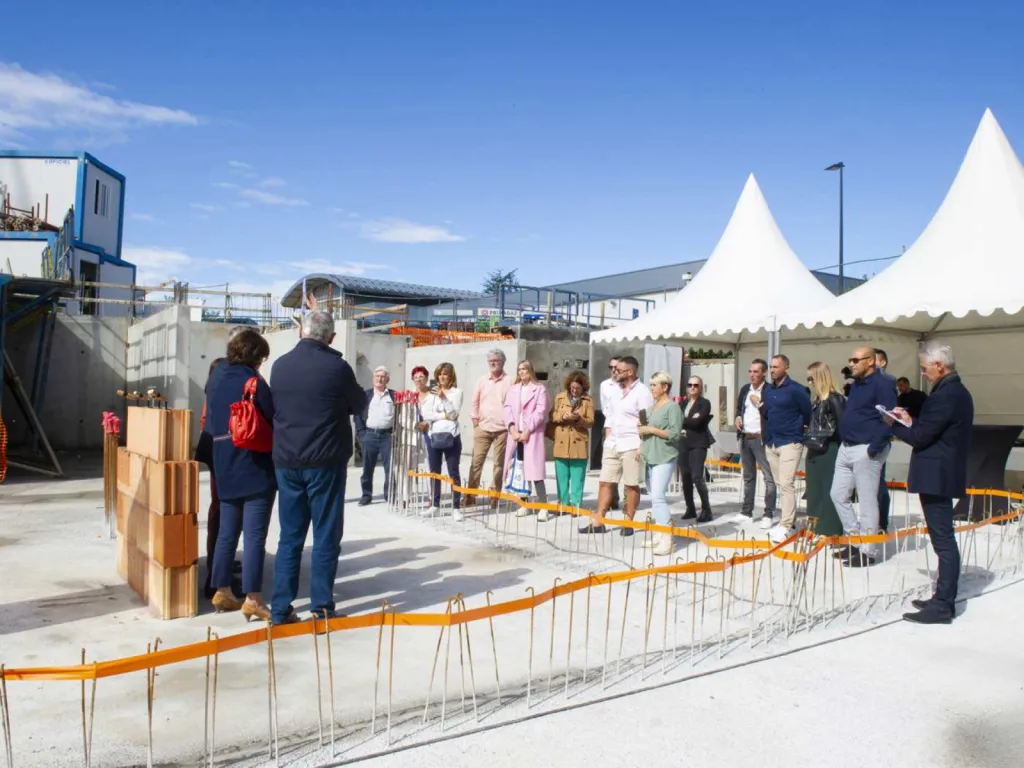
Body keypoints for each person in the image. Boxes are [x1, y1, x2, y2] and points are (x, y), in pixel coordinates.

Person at [270, 311, 365, 624]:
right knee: (325, 536)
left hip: (287, 461)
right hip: (324, 462)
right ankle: (322, 606)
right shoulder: (337, 367)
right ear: (331, 338)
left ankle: (281, 608)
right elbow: (358, 405)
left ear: (301, 333)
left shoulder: (280, 366)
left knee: (290, 538)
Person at [886, 341, 973, 624]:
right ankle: (941, 596)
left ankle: (944, 604)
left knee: (943, 540)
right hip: (941, 471)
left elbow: (923, 437)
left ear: (939, 365)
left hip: (937, 474)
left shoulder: (947, 394)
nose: (923, 373)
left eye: (925, 368)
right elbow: (931, 427)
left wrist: (895, 425)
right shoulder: (953, 391)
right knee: (942, 537)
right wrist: (911, 419)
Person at [204, 329, 275, 621]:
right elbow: (272, 415)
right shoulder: (254, 382)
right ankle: (253, 598)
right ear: (255, 356)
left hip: (223, 461)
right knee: (255, 536)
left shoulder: (216, 378)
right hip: (254, 463)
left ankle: (222, 591)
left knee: (226, 531)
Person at [830, 346, 896, 567]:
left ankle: (868, 550)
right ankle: (855, 540)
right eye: (850, 359)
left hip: (867, 448)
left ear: (871, 361)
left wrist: (874, 448)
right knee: (837, 494)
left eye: (856, 360)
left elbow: (889, 418)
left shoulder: (884, 384)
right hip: (847, 447)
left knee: (867, 501)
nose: (852, 363)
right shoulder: (857, 385)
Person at [582, 355, 653, 535]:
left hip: (632, 444)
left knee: (630, 485)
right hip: (613, 442)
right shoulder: (613, 390)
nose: (615, 372)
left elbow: (646, 421)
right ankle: (599, 521)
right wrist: (607, 439)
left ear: (630, 372)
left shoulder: (643, 392)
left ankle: (628, 522)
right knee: (605, 482)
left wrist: (641, 446)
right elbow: (610, 416)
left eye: (619, 370)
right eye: (614, 369)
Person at [755, 354, 811, 544]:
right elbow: (768, 412)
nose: (772, 370)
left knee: (787, 483)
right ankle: (789, 521)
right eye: (770, 367)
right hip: (772, 442)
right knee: (780, 483)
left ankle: (787, 525)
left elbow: (807, 413)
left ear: (786, 368)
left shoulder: (797, 390)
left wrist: (798, 430)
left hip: (790, 442)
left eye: (776, 367)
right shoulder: (768, 390)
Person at [639, 371, 683, 555]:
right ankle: (659, 532)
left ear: (665, 387)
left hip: (664, 456)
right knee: (654, 496)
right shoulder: (653, 407)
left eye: (654, 385)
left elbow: (675, 434)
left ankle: (667, 537)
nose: (651, 389)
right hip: (650, 455)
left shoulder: (672, 407)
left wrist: (651, 429)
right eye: (650, 385)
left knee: (658, 496)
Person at [503, 360, 551, 519]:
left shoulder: (539, 389)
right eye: (519, 369)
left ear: (530, 370)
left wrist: (527, 430)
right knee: (519, 470)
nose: (521, 372)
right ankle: (524, 503)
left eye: (524, 369)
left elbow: (541, 411)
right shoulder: (514, 389)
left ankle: (543, 505)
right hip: (516, 434)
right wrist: (512, 429)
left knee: (535, 471)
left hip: (532, 434)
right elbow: (507, 410)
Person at [804, 362, 845, 537]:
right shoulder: (817, 400)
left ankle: (830, 529)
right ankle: (815, 527)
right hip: (814, 448)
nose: (809, 382)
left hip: (830, 449)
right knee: (814, 490)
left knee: (829, 491)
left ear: (819, 377)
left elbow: (843, 426)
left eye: (811, 378)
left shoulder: (835, 398)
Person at [468, 349, 513, 508]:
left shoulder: (510, 381)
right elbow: (475, 402)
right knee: (476, 462)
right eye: (491, 361)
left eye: (496, 360)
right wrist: (475, 422)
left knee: (499, 465)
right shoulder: (482, 381)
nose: (493, 363)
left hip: (502, 430)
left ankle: (494, 496)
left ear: (503, 362)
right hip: (483, 428)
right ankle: (470, 497)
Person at [421, 362, 465, 520]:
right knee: (434, 472)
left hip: (451, 435)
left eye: (445, 374)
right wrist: (442, 415)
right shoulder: (431, 394)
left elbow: (454, 414)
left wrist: (443, 397)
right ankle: (435, 504)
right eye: (439, 374)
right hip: (434, 435)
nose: (442, 377)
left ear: (451, 375)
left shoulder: (457, 392)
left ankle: (456, 507)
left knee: (453, 472)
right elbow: (427, 415)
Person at [735, 359, 777, 524]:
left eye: (756, 372)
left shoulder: (770, 390)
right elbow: (739, 408)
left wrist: (759, 404)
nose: (752, 375)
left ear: (764, 373)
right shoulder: (745, 389)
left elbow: (772, 413)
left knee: (768, 477)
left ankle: (768, 513)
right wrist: (738, 417)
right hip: (746, 436)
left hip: (761, 437)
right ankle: (747, 511)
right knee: (748, 476)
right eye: (750, 371)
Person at [551, 371, 594, 512]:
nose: (574, 391)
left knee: (577, 478)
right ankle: (563, 504)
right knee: (561, 478)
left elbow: (590, 422)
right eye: (572, 387)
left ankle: (576, 506)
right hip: (561, 442)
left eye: (577, 388)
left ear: (583, 387)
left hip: (579, 442)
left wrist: (578, 419)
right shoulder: (559, 398)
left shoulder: (588, 400)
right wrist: (563, 416)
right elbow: (553, 415)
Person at [354, 366, 396, 506]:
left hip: (387, 436)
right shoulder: (366, 395)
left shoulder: (394, 395)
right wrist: (361, 434)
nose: (380, 379)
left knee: (389, 468)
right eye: (377, 376)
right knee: (367, 468)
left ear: (387, 379)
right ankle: (366, 496)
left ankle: (389, 495)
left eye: (383, 376)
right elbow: (358, 415)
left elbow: (400, 415)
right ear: (373, 379)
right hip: (369, 435)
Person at [679, 375, 713, 523]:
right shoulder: (682, 404)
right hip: (683, 443)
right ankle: (690, 508)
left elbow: (697, 422)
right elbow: (676, 421)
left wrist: (682, 421)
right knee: (685, 476)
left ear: (700, 388)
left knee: (697, 477)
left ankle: (706, 509)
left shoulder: (704, 403)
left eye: (696, 385)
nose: (692, 387)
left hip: (698, 443)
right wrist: (688, 421)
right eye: (690, 384)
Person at [874, 349, 897, 532]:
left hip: (878, 437)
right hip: (864, 437)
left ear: (883, 363)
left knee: (878, 482)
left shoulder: (887, 381)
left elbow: (887, 414)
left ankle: (881, 522)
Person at [598, 356, 623, 510]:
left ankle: (619, 496)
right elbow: (605, 407)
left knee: (623, 464)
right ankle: (611, 498)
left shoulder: (626, 385)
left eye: (616, 367)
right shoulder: (604, 385)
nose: (613, 370)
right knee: (609, 464)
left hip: (625, 428)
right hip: (610, 426)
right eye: (611, 367)